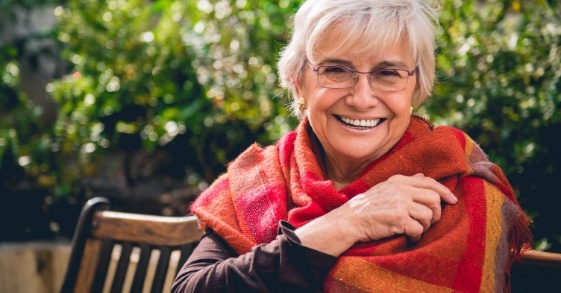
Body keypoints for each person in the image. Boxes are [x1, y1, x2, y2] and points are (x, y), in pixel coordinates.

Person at [172, 0, 532, 292]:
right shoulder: (260, 181)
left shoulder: (457, 187)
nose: (361, 99)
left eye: (388, 73)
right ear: (298, 83)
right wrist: (345, 223)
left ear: (416, 88)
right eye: (336, 70)